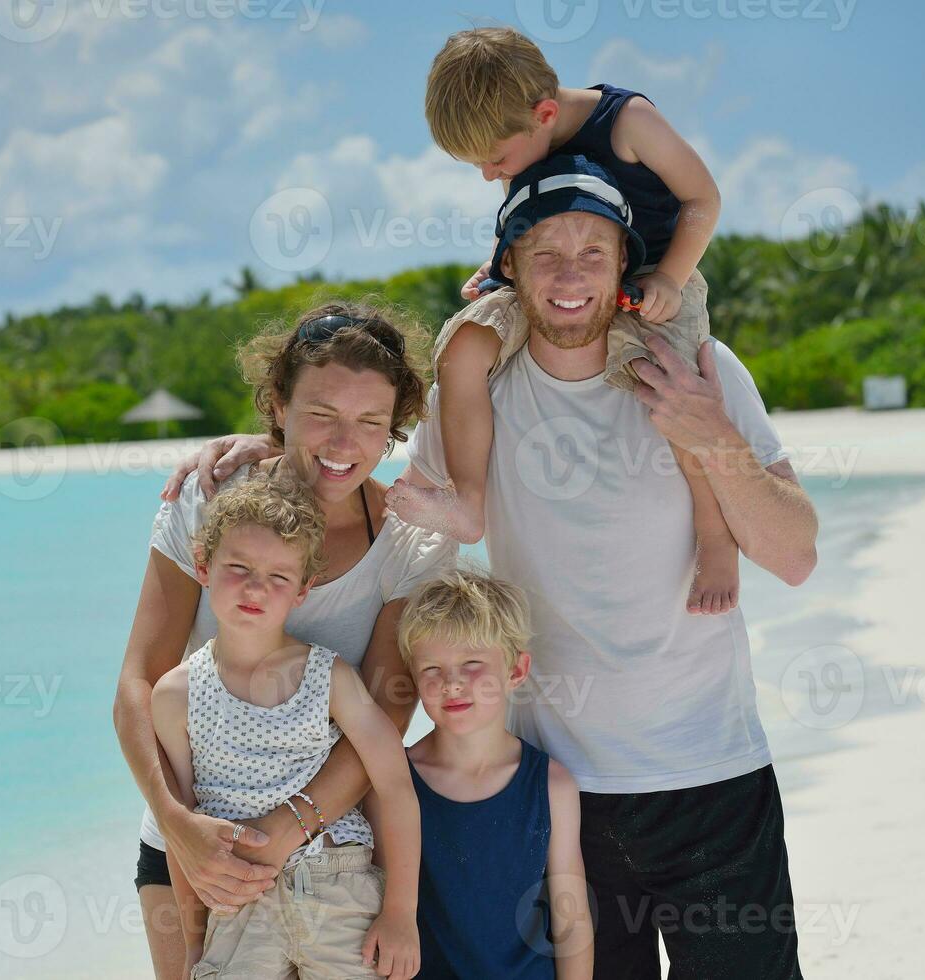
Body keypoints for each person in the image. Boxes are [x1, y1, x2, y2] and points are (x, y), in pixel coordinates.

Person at [174, 154, 819, 978]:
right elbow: (360, 466)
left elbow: (795, 555)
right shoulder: (477, 388)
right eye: (544, 254)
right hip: (555, 795)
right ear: (506, 267)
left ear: (626, 262)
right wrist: (267, 448)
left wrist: (711, 433)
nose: (570, 276)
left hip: (712, 774)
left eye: (594, 251)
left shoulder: (701, 368)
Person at [115, 302, 457, 979]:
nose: (342, 444)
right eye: (320, 414)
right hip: (190, 845)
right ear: (277, 403)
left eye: (369, 423)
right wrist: (180, 827)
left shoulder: (412, 538)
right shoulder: (206, 500)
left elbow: (385, 716)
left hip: (333, 856)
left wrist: (286, 830)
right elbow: (138, 684)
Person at [390, 26, 738, 617]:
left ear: (545, 113)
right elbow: (543, 212)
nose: (488, 175)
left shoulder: (628, 123)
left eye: (495, 161)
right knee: (466, 345)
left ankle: (715, 535)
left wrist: (671, 278)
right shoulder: (523, 131)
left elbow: (704, 199)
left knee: (676, 387)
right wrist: (499, 264)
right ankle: (468, 500)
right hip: (556, 282)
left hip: (654, 274)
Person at [152, 470, 421, 978]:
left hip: (337, 886)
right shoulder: (174, 694)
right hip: (236, 905)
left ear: (303, 590)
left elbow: (396, 788)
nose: (257, 587)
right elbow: (182, 831)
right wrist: (194, 947)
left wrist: (401, 912)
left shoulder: (332, 677)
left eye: (279, 577)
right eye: (239, 567)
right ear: (204, 567)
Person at [397, 567, 591, 979]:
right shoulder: (397, 782)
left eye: (471, 663)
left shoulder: (552, 786)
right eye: (432, 668)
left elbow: (571, 921)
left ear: (516, 671)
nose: (451, 683)